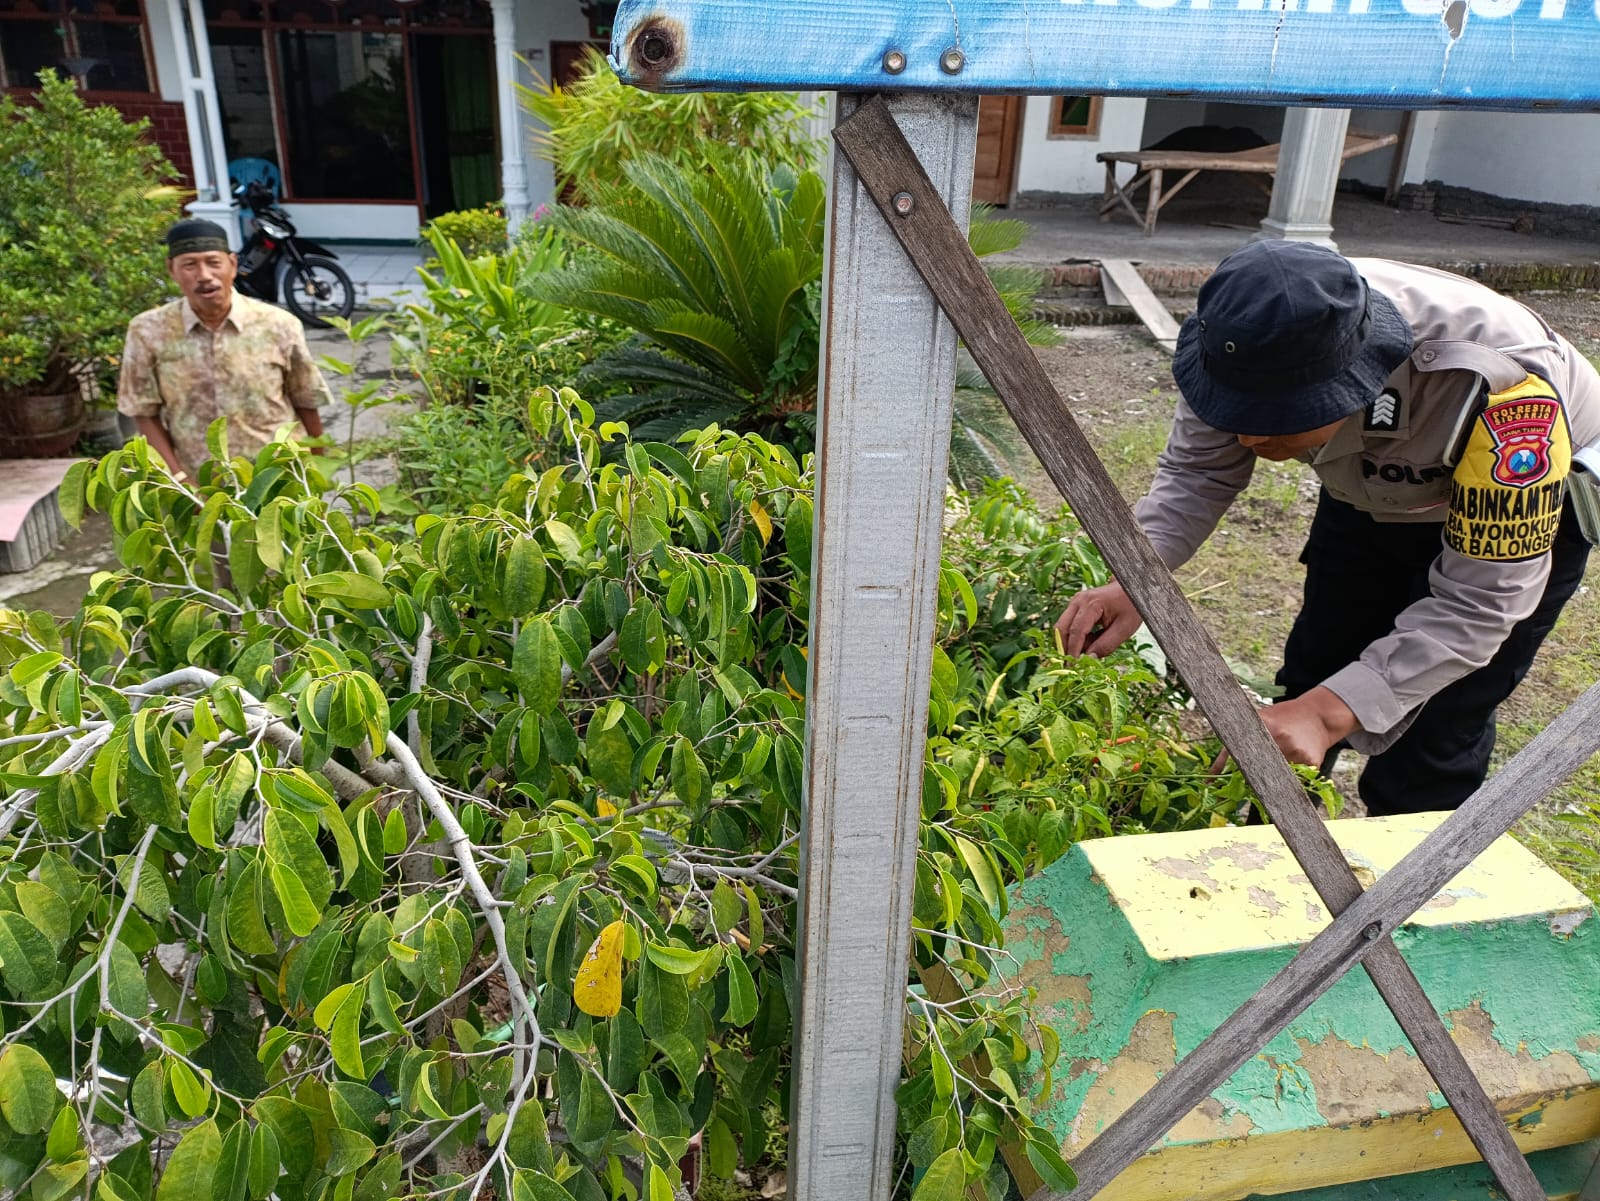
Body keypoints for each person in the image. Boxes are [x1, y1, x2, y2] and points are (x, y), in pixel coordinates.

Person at [1056, 241, 1600, 816]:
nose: (1249, 441)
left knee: (1439, 721)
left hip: (1520, 504)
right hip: (1372, 488)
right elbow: (1196, 472)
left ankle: (1410, 885)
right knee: (1318, 663)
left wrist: (1328, 713)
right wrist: (1138, 577)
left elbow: (1478, 606)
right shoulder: (1238, 339)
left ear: (1360, 379)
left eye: (1278, 421)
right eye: (1236, 414)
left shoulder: (1506, 390)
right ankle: (1280, 837)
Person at [117, 218, 331, 483]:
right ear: (171, 270)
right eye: (190, 265)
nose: (204, 275)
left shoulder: (279, 325)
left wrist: (316, 475)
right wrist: (180, 482)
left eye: (213, 262)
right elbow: (143, 412)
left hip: (278, 484)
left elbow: (307, 401)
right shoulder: (147, 331)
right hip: (200, 489)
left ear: (232, 264)